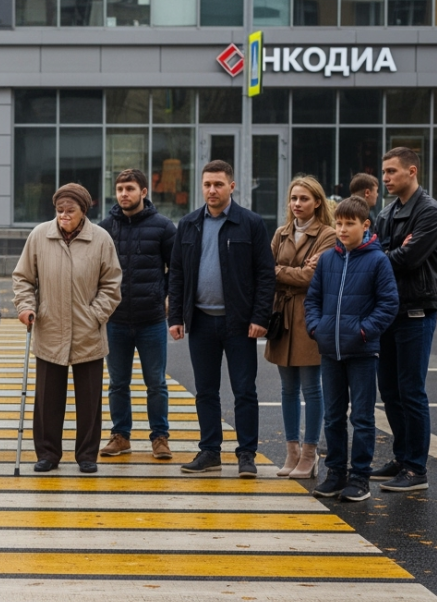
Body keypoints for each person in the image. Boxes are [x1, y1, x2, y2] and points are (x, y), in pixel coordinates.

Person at [168, 160, 276, 479]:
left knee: (244, 390)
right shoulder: (188, 224)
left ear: (232, 186)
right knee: (205, 390)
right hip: (200, 321)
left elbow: (265, 274)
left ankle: (246, 454)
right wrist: (176, 316)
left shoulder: (251, 223)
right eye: (207, 184)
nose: (212, 190)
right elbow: (176, 273)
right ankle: (210, 451)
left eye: (218, 184)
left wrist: (260, 317)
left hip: (240, 323)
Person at [13, 183, 122, 474]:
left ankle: (87, 454)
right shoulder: (39, 236)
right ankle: (47, 454)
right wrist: (26, 306)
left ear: (83, 211)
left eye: (70, 210)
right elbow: (23, 278)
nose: (63, 215)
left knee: (89, 401)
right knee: (47, 400)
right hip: (49, 328)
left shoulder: (100, 239)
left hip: (88, 333)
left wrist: (94, 315)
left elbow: (112, 284)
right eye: (59, 210)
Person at [304, 196, 399, 502]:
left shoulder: (377, 260)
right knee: (332, 416)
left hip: (361, 352)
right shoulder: (329, 258)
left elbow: (388, 304)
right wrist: (316, 328)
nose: (342, 229)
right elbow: (313, 299)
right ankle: (335, 473)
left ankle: (359, 477)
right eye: (339, 223)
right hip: (330, 350)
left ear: (365, 225)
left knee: (362, 417)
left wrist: (362, 331)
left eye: (349, 224)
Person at [369, 147, 437, 492]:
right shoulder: (388, 211)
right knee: (389, 390)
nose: (385, 178)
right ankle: (402, 458)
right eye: (384, 172)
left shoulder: (429, 211)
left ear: (412, 171)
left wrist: (390, 252)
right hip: (389, 310)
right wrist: (391, 250)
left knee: (411, 391)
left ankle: (416, 470)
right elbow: (378, 253)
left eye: (391, 172)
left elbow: (408, 258)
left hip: (416, 309)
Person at [97, 169, 176, 461]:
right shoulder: (104, 228)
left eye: (129, 188)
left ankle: (160, 437)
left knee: (156, 382)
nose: (123, 194)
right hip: (115, 320)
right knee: (118, 383)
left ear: (143, 192)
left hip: (151, 319)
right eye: (119, 189)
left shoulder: (163, 227)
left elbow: (176, 269)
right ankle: (121, 436)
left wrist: (165, 295)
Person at [265, 176, 339, 478]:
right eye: (294, 199)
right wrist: (290, 272)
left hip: (309, 316)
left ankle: (310, 453)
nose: (297, 204)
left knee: (312, 388)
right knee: (287, 389)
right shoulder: (281, 233)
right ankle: (291, 451)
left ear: (317, 202)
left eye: (304, 199)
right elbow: (264, 273)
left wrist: (279, 272)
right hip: (281, 317)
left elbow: (313, 278)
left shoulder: (328, 235)